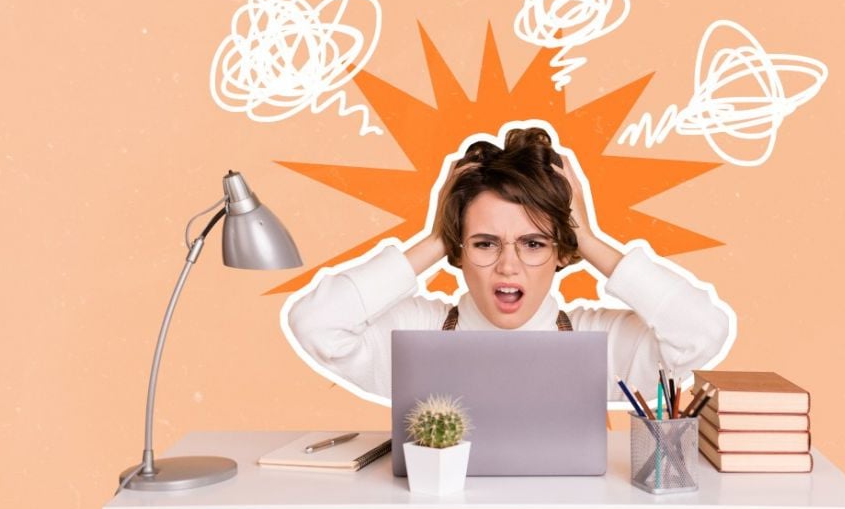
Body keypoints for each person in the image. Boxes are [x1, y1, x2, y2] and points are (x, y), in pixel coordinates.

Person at [285, 126, 732, 401]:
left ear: (561, 250)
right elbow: (316, 323)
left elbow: (703, 332)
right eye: (485, 244)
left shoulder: (601, 343)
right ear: (458, 252)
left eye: (533, 244)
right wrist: (438, 237)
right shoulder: (413, 335)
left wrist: (589, 239)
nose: (508, 267)